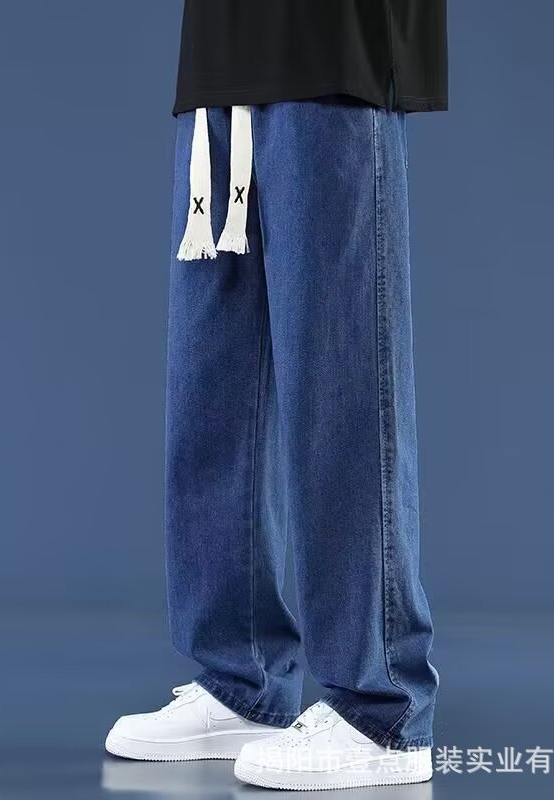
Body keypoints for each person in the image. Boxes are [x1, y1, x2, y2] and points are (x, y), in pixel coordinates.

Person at [106, 0, 448, 790]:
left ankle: (382, 709)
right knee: (213, 386)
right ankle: (242, 679)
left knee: (339, 375)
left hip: (333, 48)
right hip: (221, 58)